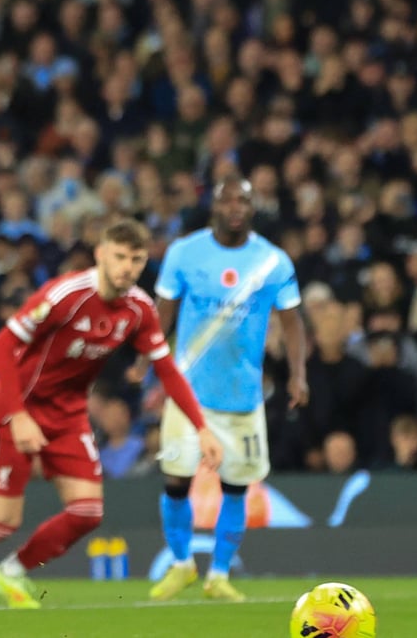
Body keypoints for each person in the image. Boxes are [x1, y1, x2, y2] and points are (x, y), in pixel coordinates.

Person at [0, 219, 222, 608]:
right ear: (101, 254)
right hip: (14, 408)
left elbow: (168, 370)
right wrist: (19, 416)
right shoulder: (66, 295)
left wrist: (202, 428)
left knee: (88, 512)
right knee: (0, 523)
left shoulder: (139, 309)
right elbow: (2, 345)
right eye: (120, 257)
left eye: (137, 260)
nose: (128, 267)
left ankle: (12, 572)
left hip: (68, 415)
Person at [149, 174, 308, 603]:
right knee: (176, 481)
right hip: (188, 395)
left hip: (241, 398)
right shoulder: (184, 253)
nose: (235, 206)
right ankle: (182, 564)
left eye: (244, 200)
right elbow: (161, 314)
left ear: (253, 208)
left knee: (236, 487)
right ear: (213, 206)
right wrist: (147, 365)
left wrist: (298, 373)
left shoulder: (273, 262)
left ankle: (218, 574)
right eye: (227, 200)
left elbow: (292, 322)